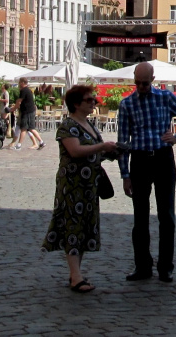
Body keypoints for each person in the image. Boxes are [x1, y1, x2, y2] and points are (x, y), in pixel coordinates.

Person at [117, 62, 176, 283]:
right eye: (137, 83)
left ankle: (165, 267)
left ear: (152, 80)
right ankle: (142, 266)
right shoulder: (127, 104)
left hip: (163, 158)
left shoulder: (165, 97)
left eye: (145, 83)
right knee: (140, 217)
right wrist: (125, 175)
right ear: (134, 79)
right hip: (140, 160)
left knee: (167, 216)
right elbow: (123, 142)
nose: (141, 87)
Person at [43, 84, 119, 293]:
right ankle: (76, 277)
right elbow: (75, 151)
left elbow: (94, 152)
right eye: (89, 100)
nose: (94, 102)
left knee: (84, 226)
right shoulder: (68, 126)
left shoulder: (90, 125)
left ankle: (76, 273)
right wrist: (102, 147)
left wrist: (112, 152)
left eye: (93, 99)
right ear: (76, 104)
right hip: (73, 184)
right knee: (72, 225)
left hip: (89, 184)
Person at [9, 77, 43, 150]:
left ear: (23, 83)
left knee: (24, 128)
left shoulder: (24, 90)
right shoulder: (27, 90)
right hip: (29, 111)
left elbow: (19, 101)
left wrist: (13, 109)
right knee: (31, 128)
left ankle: (19, 145)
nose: (18, 84)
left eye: (19, 82)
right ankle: (41, 142)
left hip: (27, 112)